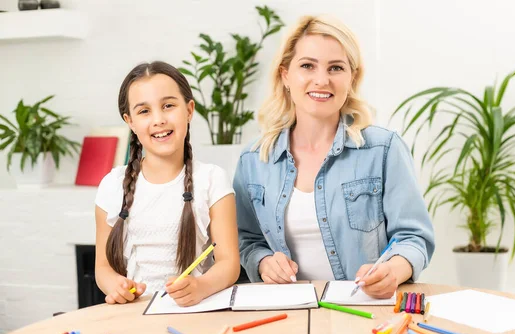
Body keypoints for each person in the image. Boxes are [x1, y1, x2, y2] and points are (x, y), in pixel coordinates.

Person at [233, 15, 435, 299]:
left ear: (352, 78)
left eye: (336, 68)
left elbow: (414, 238)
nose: (322, 80)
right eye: (307, 66)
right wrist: (263, 262)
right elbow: (247, 240)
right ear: (285, 76)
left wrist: (394, 269)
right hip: (283, 311)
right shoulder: (253, 159)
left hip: (362, 309)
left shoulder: (384, 149)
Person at [94, 61, 239, 306]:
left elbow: (229, 263)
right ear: (130, 122)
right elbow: (102, 268)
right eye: (144, 111)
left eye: (168, 106)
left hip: (195, 311)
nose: (158, 119)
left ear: (189, 110)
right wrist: (115, 286)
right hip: (133, 314)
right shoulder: (111, 185)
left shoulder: (213, 180)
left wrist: (201, 286)